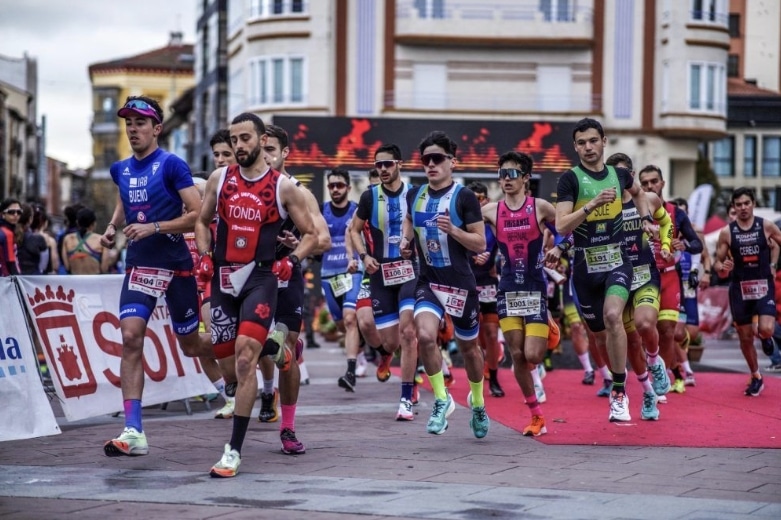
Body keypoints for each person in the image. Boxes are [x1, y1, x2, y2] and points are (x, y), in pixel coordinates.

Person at [195, 112, 317, 478]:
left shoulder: (283, 187)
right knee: (230, 366)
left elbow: (311, 233)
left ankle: (233, 450)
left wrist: (292, 260)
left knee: (246, 360)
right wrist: (203, 256)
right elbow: (201, 221)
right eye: (234, 140)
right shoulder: (219, 178)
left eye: (245, 138)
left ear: (262, 141)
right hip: (223, 278)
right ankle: (254, 367)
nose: (238, 146)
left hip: (260, 278)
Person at [100, 96, 213, 457]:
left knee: (192, 345)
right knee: (131, 338)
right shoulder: (120, 168)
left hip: (177, 264)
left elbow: (197, 215)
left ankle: (241, 359)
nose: (133, 129)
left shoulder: (172, 165)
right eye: (128, 123)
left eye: (140, 123)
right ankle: (133, 430)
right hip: (139, 265)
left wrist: (156, 227)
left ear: (157, 128)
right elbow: (124, 197)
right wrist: (112, 226)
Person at [554, 118, 654, 423]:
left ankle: (620, 394)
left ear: (603, 141)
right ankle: (621, 379)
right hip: (585, 267)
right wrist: (592, 204)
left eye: (593, 140)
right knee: (599, 336)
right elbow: (561, 225)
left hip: (617, 261)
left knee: (614, 317)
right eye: (582, 142)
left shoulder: (619, 175)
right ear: (576, 147)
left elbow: (639, 193)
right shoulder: (569, 180)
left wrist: (647, 218)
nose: (588, 147)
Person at [402, 130, 490, 438]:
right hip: (429, 281)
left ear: (452, 162)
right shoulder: (415, 194)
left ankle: (478, 402)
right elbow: (410, 220)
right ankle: (441, 399)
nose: (431, 164)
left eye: (437, 159)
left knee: (469, 349)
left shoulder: (464, 197)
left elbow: (479, 243)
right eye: (425, 160)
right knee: (424, 335)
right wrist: (405, 240)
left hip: (460, 285)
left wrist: (453, 230)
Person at [255, 123, 331, 456]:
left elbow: (323, 239)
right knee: (249, 348)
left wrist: (298, 245)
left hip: (287, 276)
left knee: (283, 348)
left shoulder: (298, 191)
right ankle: (266, 388)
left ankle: (287, 428)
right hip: (251, 277)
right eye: (262, 149)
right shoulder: (243, 188)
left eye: (271, 150)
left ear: (285, 153)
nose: (266, 156)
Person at [481, 151, 557, 436]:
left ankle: (549, 323)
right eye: (501, 174)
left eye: (512, 173)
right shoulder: (490, 210)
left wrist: (560, 248)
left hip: (535, 288)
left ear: (526, 178)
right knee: (517, 355)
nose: (505, 179)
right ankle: (536, 415)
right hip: (507, 290)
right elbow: (474, 233)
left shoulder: (540, 207)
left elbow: (566, 228)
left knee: (533, 355)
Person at [348, 144, 419, 420]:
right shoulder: (369, 196)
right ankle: (388, 357)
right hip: (380, 274)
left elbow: (424, 226)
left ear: (399, 163)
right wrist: (364, 255)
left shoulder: (414, 193)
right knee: (390, 342)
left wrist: (412, 244)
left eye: (388, 164)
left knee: (409, 333)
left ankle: (406, 398)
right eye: (379, 165)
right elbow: (354, 230)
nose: (384, 169)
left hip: (410, 271)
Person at [605, 152, 673, 420]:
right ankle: (647, 391)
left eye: (625, 174)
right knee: (630, 340)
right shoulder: (604, 206)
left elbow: (665, 221)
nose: (620, 179)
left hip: (645, 273)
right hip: (617, 278)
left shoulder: (647, 199)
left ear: (631, 175)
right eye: (615, 174)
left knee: (646, 325)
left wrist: (665, 245)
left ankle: (655, 361)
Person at [638, 165, 703, 394]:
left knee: (667, 330)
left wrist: (682, 244)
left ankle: (661, 380)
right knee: (645, 329)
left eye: (653, 182)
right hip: (643, 277)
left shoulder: (676, 213)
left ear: (662, 183)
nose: (649, 187)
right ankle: (650, 371)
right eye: (644, 183)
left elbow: (697, 244)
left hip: (668, 277)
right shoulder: (634, 210)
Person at [713, 187, 781, 396]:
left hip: (763, 285)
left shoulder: (766, 226)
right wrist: (722, 267)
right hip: (740, 288)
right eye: (738, 204)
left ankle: (766, 337)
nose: (743, 208)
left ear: (753, 204)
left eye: (746, 203)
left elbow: (779, 243)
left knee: (766, 329)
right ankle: (756, 376)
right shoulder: (727, 232)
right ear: (734, 207)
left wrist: (773, 264)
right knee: (744, 337)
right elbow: (717, 262)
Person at [321, 167, 364, 392]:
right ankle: (362, 342)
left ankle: (350, 372)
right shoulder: (321, 211)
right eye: (331, 186)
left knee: (350, 319)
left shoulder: (357, 211)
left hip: (352, 271)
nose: (335, 189)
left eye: (339, 185)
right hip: (329, 275)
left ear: (348, 187)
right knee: (341, 324)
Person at [468, 181, 504, 398]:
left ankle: (494, 376)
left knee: (491, 333)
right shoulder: (460, 221)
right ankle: (477, 378)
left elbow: (506, 246)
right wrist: (471, 255)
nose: (477, 203)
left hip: (489, 282)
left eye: (480, 198)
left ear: (486, 200)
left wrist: (495, 264)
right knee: (473, 336)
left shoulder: (493, 221)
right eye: (472, 199)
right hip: (467, 282)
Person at [62, 207, 112, 274]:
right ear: (94, 224)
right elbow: (104, 269)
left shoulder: (67, 239)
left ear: (77, 222)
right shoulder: (101, 240)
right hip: (94, 282)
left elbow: (67, 267)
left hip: (74, 282)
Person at [16, 204, 48, 275]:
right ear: (30, 219)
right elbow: (43, 266)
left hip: (12, 279)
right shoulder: (38, 239)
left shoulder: (8, 235)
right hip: (34, 279)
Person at [0, 198, 22, 277]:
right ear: (3, 214)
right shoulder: (7, 233)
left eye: (19, 212)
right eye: (11, 212)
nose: (16, 215)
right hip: (6, 278)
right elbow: (11, 261)